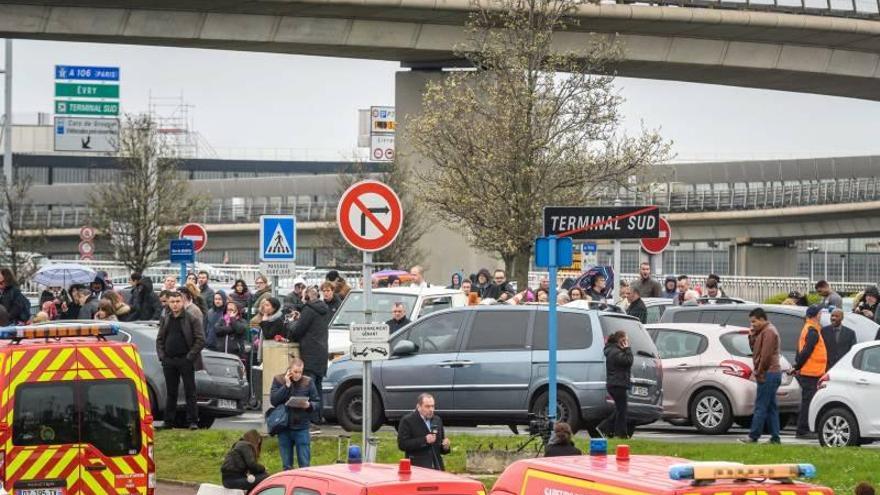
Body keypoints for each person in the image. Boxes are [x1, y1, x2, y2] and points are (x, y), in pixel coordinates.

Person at [156, 291, 206, 430]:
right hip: (169, 360)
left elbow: (200, 339)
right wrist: (163, 356)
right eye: (172, 302)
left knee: (190, 391)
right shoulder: (166, 318)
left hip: (185, 359)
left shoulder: (191, 318)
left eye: (178, 301)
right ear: (169, 303)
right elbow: (160, 339)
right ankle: (168, 421)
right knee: (171, 392)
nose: (175, 304)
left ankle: (192, 421)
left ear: (183, 302)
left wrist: (190, 356)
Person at [286, 287, 330, 426]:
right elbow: (313, 326)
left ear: (306, 297)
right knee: (317, 386)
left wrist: (292, 323)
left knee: (308, 386)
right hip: (322, 352)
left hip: (310, 353)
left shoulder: (309, 309)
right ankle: (318, 416)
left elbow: (298, 331)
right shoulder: (324, 309)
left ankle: (310, 418)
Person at [740, 307, 782, 444]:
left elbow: (765, 356)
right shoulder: (763, 331)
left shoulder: (769, 332)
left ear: (762, 319)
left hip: (768, 372)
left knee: (761, 405)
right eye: (751, 322)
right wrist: (752, 335)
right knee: (771, 407)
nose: (752, 324)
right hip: (771, 372)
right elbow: (755, 350)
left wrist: (759, 372)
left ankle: (754, 435)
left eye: (754, 322)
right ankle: (775, 437)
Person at [270, 358, 320, 469]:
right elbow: (274, 401)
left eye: (300, 372)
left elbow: (317, 402)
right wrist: (286, 386)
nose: (298, 375)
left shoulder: (308, 382)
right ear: (289, 370)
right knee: (287, 466)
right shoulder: (278, 379)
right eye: (295, 372)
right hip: (284, 427)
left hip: (301, 427)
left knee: (305, 465)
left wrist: (309, 405)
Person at [793, 305, 827, 439]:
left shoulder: (809, 328)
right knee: (809, 402)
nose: (821, 316)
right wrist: (797, 366)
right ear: (816, 315)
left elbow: (801, 350)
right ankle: (802, 430)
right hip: (810, 372)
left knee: (809, 401)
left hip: (811, 371)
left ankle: (804, 428)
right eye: (820, 313)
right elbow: (806, 351)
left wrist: (797, 366)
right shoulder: (812, 330)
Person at [397, 393, 450, 470]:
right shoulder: (408, 420)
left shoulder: (437, 420)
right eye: (427, 406)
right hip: (418, 468)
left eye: (432, 406)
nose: (431, 409)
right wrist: (424, 440)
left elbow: (439, 447)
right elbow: (402, 444)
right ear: (418, 407)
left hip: (437, 467)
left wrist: (445, 446)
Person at [599, 331, 633, 439]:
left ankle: (607, 429)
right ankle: (620, 433)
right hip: (618, 384)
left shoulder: (613, 351)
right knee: (622, 410)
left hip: (616, 384)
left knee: (620, 409)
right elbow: (628, 361)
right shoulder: (615, 352)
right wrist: (628, 349)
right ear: (621, 341)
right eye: (626, 340)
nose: (627, 342)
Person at [220, 429, 268, 494]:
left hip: (228, 480)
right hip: (234, 480)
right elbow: (252, 465)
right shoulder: (246, 446)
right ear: (255, 440)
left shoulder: (239, 445)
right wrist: (263, 468)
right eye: (258, 443)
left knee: (259, 477)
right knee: (266, 476)